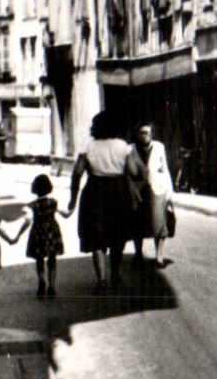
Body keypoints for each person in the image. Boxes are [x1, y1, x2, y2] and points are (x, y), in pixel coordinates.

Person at [65, 110, 131, 290]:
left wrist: (72, 200)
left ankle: (101, 280)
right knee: (117, 236)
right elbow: (132, 171)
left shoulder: (89, 147)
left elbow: (77, 174)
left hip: (95, 192)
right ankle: (115, 275)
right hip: (118, 191)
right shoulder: (122, 146)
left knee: (97, 236)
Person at [125, 124, 174, 269]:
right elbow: (127, 172)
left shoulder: (159, 147)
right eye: (141, 132)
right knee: (137, 223)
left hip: (157, 189)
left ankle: (159, 256)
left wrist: (169, 193)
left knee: (159, 222)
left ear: (152, 134)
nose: (144, 135)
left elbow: (165, 169)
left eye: (147, 132)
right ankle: (138, 254)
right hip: (137, 191)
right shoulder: (130, 149)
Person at [25, 172, 65, 298]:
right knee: (52, 259)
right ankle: (51, 286)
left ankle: (41, 280)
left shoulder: (32, 205)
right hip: (52, 232)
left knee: (39, 258)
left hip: (38, 232)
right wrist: (73, 205)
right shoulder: (53, 203)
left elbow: (26, 220)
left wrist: (17, 236)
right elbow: (66, 214)